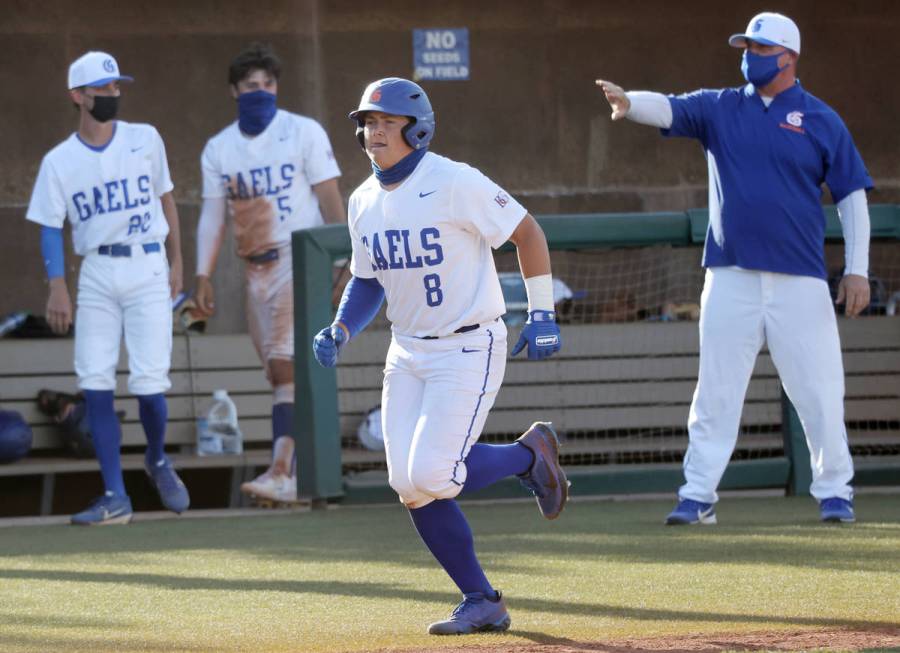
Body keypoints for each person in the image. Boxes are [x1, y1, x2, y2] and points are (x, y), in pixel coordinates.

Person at [313, 77, 568, 635]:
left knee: (432, 471)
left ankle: (530, 457)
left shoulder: (454, 181)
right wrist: (341, 328)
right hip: (405, 350)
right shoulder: (362, 200)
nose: (373, 131)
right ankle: (481, 598)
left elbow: (528, 233)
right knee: (409, 486)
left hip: (469, 342)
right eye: (367, 122)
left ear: (417, 127)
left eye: (386, 121)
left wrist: (543, 312)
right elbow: (366, 280)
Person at [597, 12, 872, 525]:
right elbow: (671, 108)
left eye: (761, 49)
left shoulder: (821, 118)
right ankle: (697, 496)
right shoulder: (722, 107)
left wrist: (857, 270)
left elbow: (851, 196)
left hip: (801, 279)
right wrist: (630, 103)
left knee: (819, 393)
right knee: (716, 392)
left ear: (788, 57)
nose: (750, 56)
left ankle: (836, 494)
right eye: (746, 47)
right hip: (730, 275)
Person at [26, 51, 190, 525]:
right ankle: (115, 494)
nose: (112, 95)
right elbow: (49, 226)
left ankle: (157, 457)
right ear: (79, 96)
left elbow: (167, 198)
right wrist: (57, 284)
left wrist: (177, 259)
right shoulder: (59, 160)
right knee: (94, 381)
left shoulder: (145, 138)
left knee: (149, 383)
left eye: (117, 87)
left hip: (146, 264)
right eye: (103, 89)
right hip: (97, 270)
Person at [194, 43, 344, 505]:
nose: (261, 92)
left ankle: (282, 470)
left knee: (285, 367)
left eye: (268, 84)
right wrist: (202, 274)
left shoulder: (303, 131)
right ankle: (297, 471)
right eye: (251, 86)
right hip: (253, 266)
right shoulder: (220, 147)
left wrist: (342, 259)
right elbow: (212, 216)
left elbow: (330, 197)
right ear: (234, 92)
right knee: (281, 375)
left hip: (300, 256)